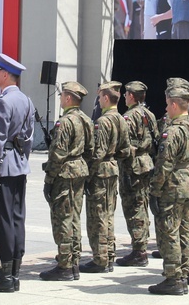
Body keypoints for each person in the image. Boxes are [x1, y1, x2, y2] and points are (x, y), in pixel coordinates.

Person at [0, 54, 35, 293]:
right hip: (19, 164)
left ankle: (5, 274)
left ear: (4, 75)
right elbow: (30, 139)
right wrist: (22, 159)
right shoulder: (27, 100)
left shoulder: (4, 101)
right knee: (16, 217)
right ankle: (14, 271)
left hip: (4, 166)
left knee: (2, 220)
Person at [39, 81, 94, 282]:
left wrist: (49, 178)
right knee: (75, 217)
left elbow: (58, 153)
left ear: (68, 98)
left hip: (64, 173)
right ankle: (73, 260)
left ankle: (65, 264)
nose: (60, 98)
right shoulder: (86, 119)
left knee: (63, 218)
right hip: (79, 170)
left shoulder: (66, 122)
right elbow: (91, 149)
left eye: (62, 95)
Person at [148, 85, 189, 295]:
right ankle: (184, 273)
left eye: (168, 104)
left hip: (173, 185)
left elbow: (164, 164)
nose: (166, 108)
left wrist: (154, 190)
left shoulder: (173, 131)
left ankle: (173, 278)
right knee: (185, 231)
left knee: (169, 232)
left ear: (175, 104)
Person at [81, 81, 130, 273]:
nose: (99, 101)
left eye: (100, 97)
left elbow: (97, 153)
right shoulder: (120, 119)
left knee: (98, 216)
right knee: (109, 215)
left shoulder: (103, 122)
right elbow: (125, 150)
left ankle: (100, 259)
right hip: (113, 169)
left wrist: (88, 174)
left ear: (106, 98)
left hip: (101, 172)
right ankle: (109, 254)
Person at [116, 81, 156, 267]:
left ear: (132, 96)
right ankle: (141, 246)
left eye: (126, 94)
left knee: (134, 208)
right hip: (146, 163)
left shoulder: (129, 117)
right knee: (143, 205)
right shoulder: (149, 114)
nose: (124, 97)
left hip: (132, 166)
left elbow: (124, 146)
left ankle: (139, 251)